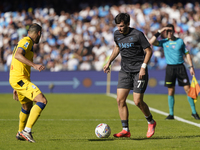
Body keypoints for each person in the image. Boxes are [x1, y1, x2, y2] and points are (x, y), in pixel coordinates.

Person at [103, 13, 156, 138]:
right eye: (118, 26)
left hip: (139, 71)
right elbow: (117, 47)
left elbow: (149, 51)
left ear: (128, 24)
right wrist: (109, 62)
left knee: (137, 101)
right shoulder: (117, 34)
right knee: (120, 100)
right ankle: (125, 130)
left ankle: (151, 122)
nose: (119, 29)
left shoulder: (138, 34)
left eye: (122, 26)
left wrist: (143, 67)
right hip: (125, 71)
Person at [149, 24, 200, 120]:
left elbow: (187, 54)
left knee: (188, 90)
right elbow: (150, 42)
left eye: (170, 31)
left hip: (181, 67)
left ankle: (194, 112)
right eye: (167, 31)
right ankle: (171, 114)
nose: (169, 33)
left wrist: (191, 67)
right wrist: (160, 31)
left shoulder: (180, 41)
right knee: (170, 90)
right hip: (170, 68)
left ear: (173, 31)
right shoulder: (164, 42)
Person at [9, 23, 47, 143]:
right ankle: (27, 131)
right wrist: (35, 65)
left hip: (18, 79)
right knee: (42, 100)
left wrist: (16, 86)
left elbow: (16, 59)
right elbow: (17, 55)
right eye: (41, 35)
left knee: (27, 106)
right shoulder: (27, 41)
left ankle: (20, 133)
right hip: (20, 79)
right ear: (39, 33)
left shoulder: (26, 42)